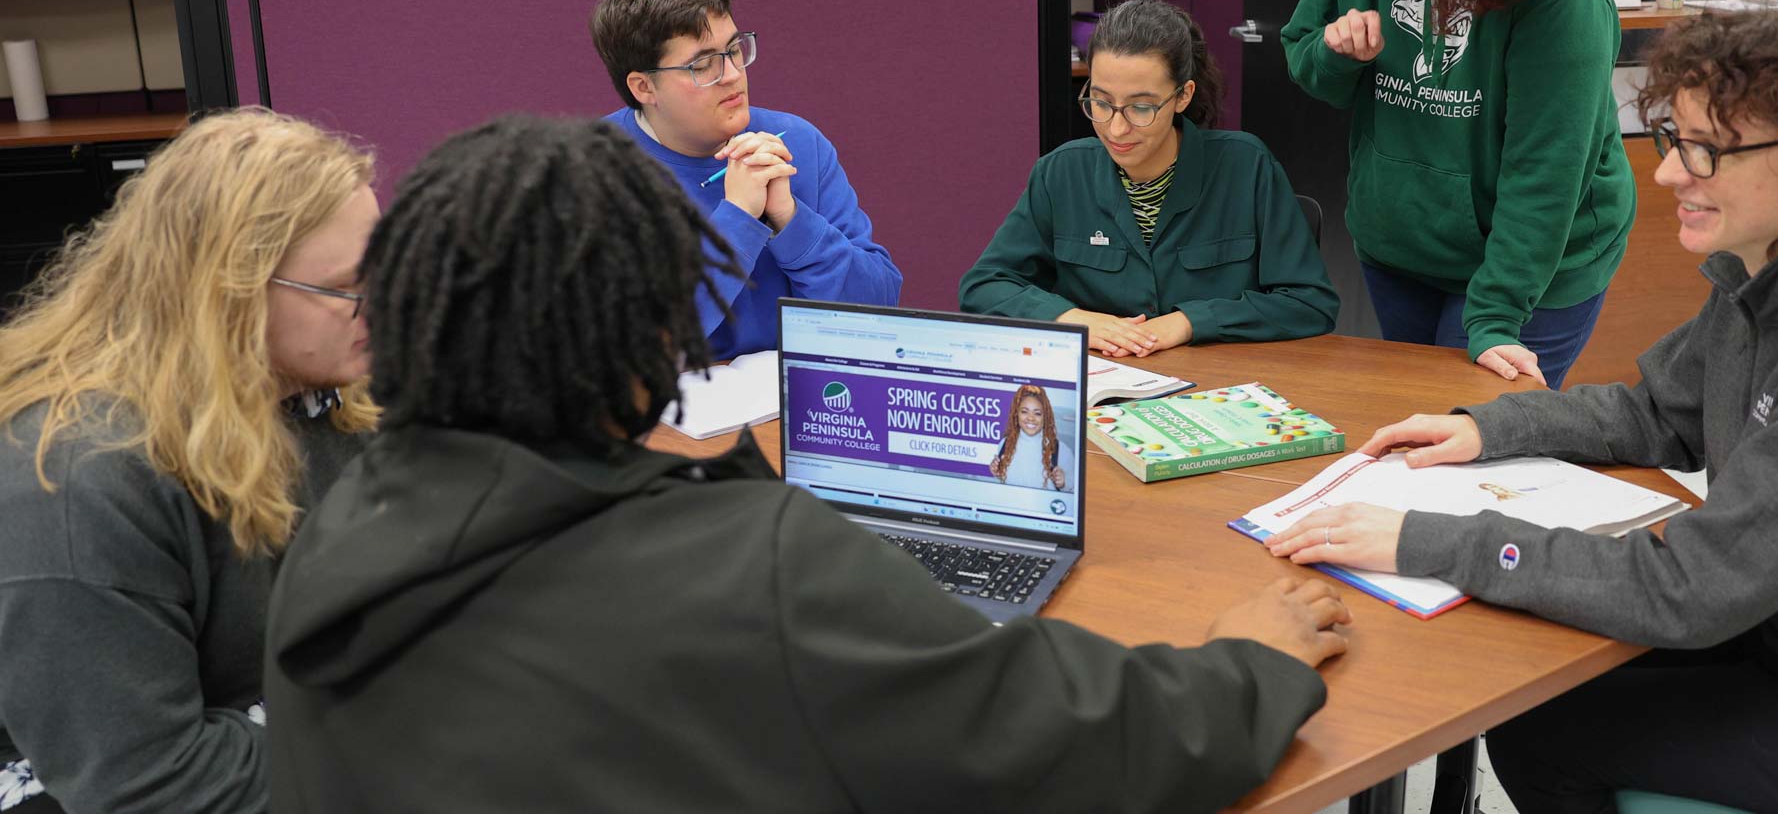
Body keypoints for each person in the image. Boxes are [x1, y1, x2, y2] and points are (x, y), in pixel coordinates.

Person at [265, 115, 1352, 813]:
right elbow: (1071, 743)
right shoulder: (757, 566)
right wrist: (1248, 663)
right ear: (655, 338)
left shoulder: (341, 528)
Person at [1265, 0, 1778, 812]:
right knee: (1518, 681)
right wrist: (1487, 427)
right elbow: (1655, 413)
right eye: (1675, 140)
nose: (1669, 172)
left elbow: (1694, 583)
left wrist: (1430, 541)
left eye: (1704, 150)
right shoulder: (1771, 274)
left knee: (1538, 726)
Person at [0, 110, 378, 814]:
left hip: (278, 731)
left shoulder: (319, 396)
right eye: (349, 287)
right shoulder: (77, 479)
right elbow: (147, 778)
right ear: (229, 292)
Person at [1277, 0, 1634, 389]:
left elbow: (1546, 170)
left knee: (1468, 443)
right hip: (1402, 245)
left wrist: (1495, 317)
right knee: (1411, 429)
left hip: (1533, 267)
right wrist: (1335, 53)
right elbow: (1304, 59)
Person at [962, 0, 1337, 357]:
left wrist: (1190, 322)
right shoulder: (1059, 173)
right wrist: (1075, 320)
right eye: (1101, 101)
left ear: (1183, 96)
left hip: (1221, 388)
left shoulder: (1247, 167)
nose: (1116, 128)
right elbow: (984, 285)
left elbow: (1309, 303)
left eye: (1141, 107)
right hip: (1108, 388)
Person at [591, 0, 901, 358]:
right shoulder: (592, 172)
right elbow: (635, 347)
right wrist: (738, 218)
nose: (734, 74)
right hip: (672, 412)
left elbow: (879, 309)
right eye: (702, 65)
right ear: (644, 86)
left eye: (735, 49)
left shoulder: (798, 143)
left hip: (791, 400)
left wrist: (790, 218)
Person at [990, 384, 1068, 491]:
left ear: (1045, 416)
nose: (1030, 418)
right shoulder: (1005, 444)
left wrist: (1063, 483)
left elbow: (1074, 492)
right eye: (1024, 412)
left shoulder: (1061, 450)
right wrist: (997, 473)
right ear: (1016, 414)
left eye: (1037, 413)